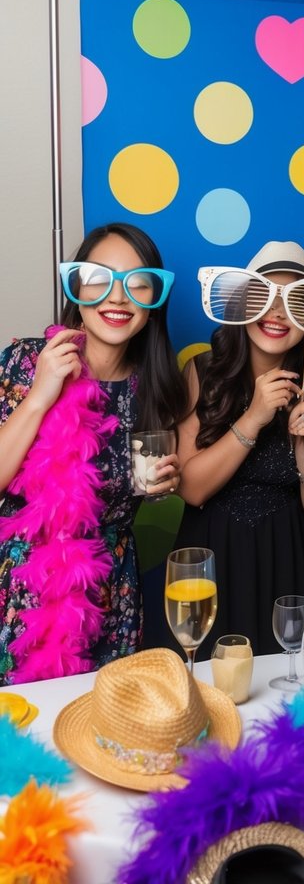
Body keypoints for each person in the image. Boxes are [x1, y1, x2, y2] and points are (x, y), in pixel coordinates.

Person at [0, 223, 187, 684]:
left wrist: (165, 484)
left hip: (110, 596)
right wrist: (41, 396)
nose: (117, 297)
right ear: (78, 287)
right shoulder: (27, 362)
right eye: (100, 277)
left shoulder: (156, 391)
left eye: (136, 282)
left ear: (153, 299)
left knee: (101, 738)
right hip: (23, 593)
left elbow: (139, 493)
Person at [174, 241, 304, 656]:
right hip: (209, 557)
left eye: (293, 302)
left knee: (285, 695)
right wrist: (253, 417)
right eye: (263, 296)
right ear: (240, 305)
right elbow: (192, 489)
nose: (276, 313)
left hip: (286, 556)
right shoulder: (202, 373)